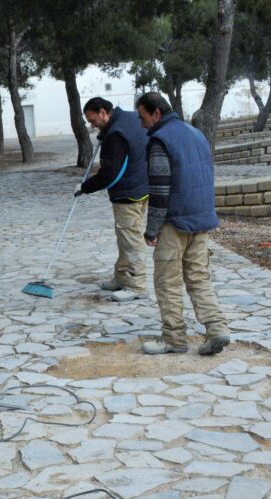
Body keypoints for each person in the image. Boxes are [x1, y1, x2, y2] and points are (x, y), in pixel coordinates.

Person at [134, 91, 230, 356]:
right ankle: (216, 327)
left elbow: (160, 189)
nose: (142, 125)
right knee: (199, 278)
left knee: (167, 282)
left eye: (143, 118)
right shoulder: (195, 134)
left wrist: (152, 229)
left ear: (156, 113)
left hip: (174, 222)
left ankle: (174, 338)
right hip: (201, 218)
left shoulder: (159, 141)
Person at [76, 97, 150, 303]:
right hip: (142, 186)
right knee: (124, 237)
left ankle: (136, 285)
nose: (92, 125)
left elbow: (109, 174)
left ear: (103, 112)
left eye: (93, 121)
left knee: (131, 240)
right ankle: (121, 278)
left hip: (127, 193)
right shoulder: (130, 118)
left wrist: (84, 187)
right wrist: (104, 132)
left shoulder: (115, 134)